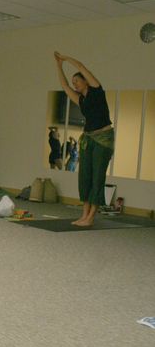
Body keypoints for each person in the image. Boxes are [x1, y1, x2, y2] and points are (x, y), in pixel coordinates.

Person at [54, 52, 114, 226]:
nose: (75, 85)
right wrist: (58, 66)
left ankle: (91, 217)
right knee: (85, 176)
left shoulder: (97, 90)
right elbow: (64, 86)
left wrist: (65, 58)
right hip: (88, 138)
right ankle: (84, 214)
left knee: (97, 177)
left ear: (86, 81)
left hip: (103, 139)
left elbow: (81, 67)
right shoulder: (81, 100)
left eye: (77, 81)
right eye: (74, 83)